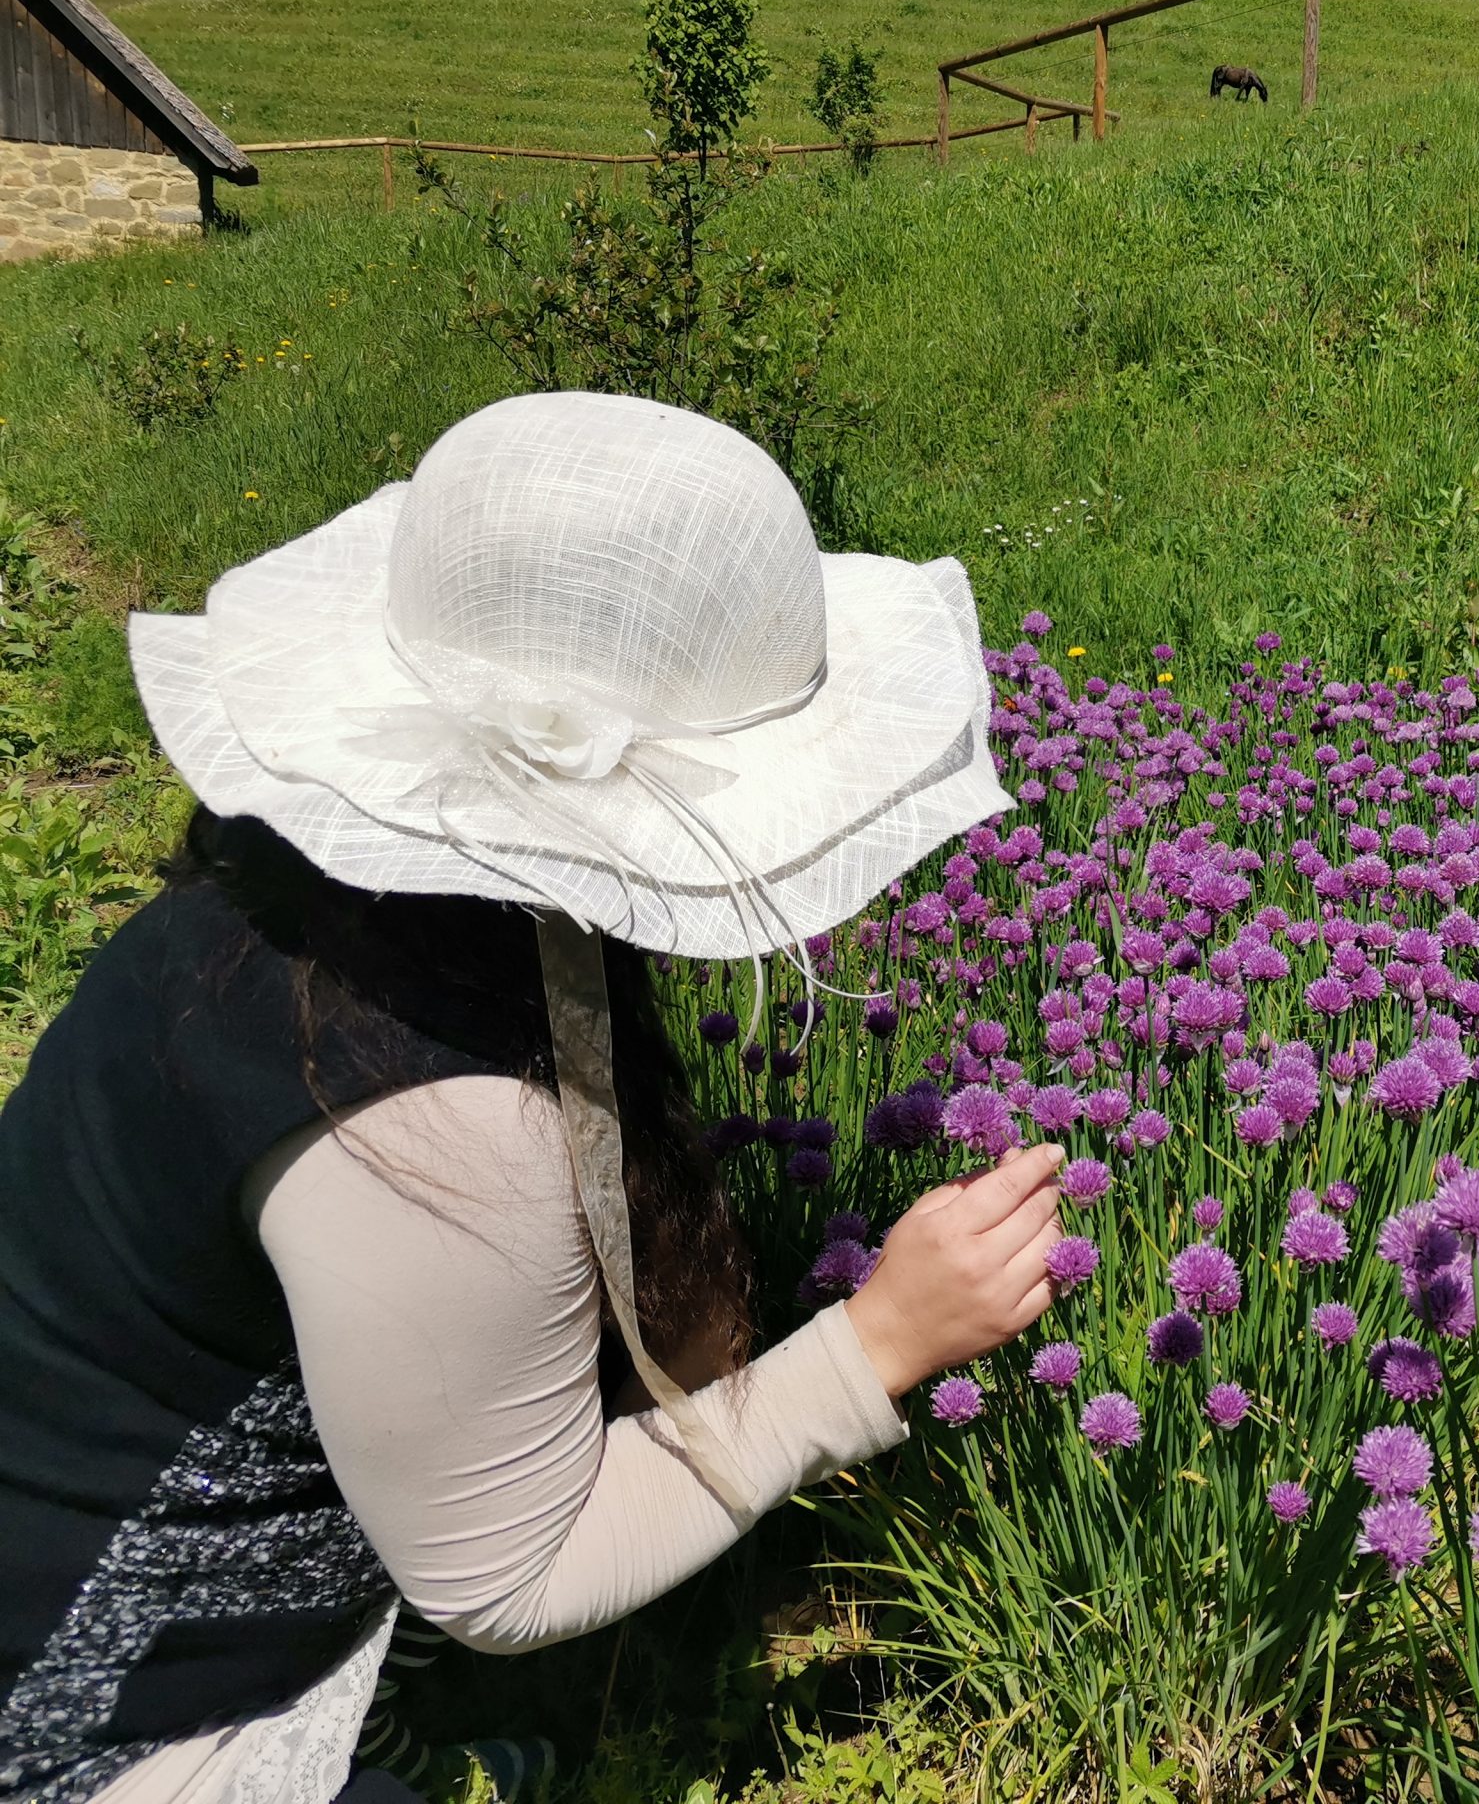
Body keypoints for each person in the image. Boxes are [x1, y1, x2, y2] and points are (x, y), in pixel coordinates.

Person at [0, 393, 1064, 1804]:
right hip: (87, 1702)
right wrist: (878, 1343)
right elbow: (513, 1578)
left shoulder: (277, 907)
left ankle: (361, 1702)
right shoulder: (438, 1121)